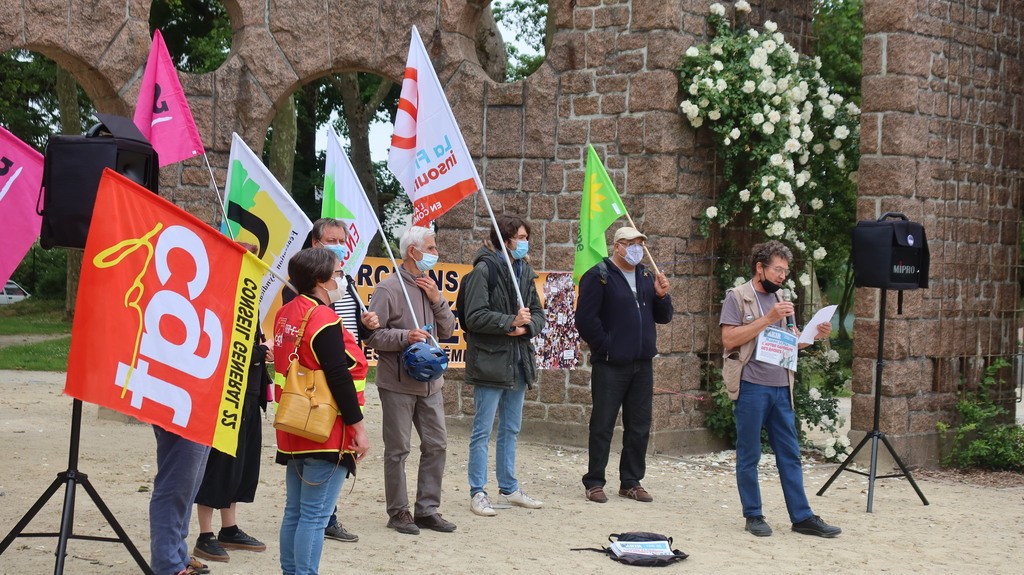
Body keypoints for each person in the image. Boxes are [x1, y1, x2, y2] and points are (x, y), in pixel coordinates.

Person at [719, 240, 841, 538]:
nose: (782, 275)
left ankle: (802, 518)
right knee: (749, 454)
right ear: (759, 267)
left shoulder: (783, 300)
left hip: (781, 388)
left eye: (785, 271)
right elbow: (729, 340)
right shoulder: (738, 297)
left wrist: (814, 335)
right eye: (777, 269)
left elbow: (789, 342)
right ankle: (754, 515)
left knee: (790, 454)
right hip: (751, 386)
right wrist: (768, 318)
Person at [273, 248, 370, 574]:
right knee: (313, 516)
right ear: (320, 280)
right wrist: (358, 426)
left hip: (293, 423)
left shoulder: (285, 312)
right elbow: (339, 375)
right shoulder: (323, 317)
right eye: (338, 274)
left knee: (295, 512)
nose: (342, 279)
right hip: (325, 426)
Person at [365, 226, 457, 535]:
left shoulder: (430, 285)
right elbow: (373, 337)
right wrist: (406, 336)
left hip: (431, 383)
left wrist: (438, 298)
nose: (436, 253)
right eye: (431, 247)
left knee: (437, 445)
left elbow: (447, 330)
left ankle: (427, 509)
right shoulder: (388, 289)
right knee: (398, 449)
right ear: (412, 252)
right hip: (398, 383)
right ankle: (398, 511)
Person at [575, 226, 672, 504]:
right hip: (610, 363)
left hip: (642, 362)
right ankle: (594, 481)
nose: (637, 248)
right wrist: (606, 346)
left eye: (640, 243)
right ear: (617, 246)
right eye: (631, 243)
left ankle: (631, 481)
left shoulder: (645, 275)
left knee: (639, 424)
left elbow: (662, 317)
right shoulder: (599, 276)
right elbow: (585, 319)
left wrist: (663, 295)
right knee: (603, 423)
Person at [192, 243, 272, 564]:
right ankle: (204, 533)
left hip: (251, 394)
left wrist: (262, 350)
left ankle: (230, 527)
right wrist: (257, 352)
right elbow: (218, 347)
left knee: (241, 464)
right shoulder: (217, 297)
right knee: (219, 463)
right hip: (225, 396)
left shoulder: (249, 301)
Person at [461, 214, 546, 516]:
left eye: (526, 237)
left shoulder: (524, 270)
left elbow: (538, 313)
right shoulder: (484, 270)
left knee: (511, 428)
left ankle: (509, 487)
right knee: (482, 430)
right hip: (490, 362)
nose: (525, 242)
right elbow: (474, 316)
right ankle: (477, 491)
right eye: (520, 237)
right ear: (505, 239)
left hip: (518, 362)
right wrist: (509, 321)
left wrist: (526, 328)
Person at [304, 217, 378, 543]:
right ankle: (321, 516)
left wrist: (368, 325)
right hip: (323, 378)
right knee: (325, 446)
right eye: (330, 239)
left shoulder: (345, 281)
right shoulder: (306, 284)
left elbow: (359, 330)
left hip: (349, 378)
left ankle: (326, 514)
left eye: (341, 240)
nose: (337, 246)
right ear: (316, 243)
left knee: (341, 446)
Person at [150, 426, 210, 575]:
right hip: (186, 410)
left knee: (188, 487)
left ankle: (177, 554)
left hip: (202, 409)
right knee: (175, 486)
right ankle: (167, 565)